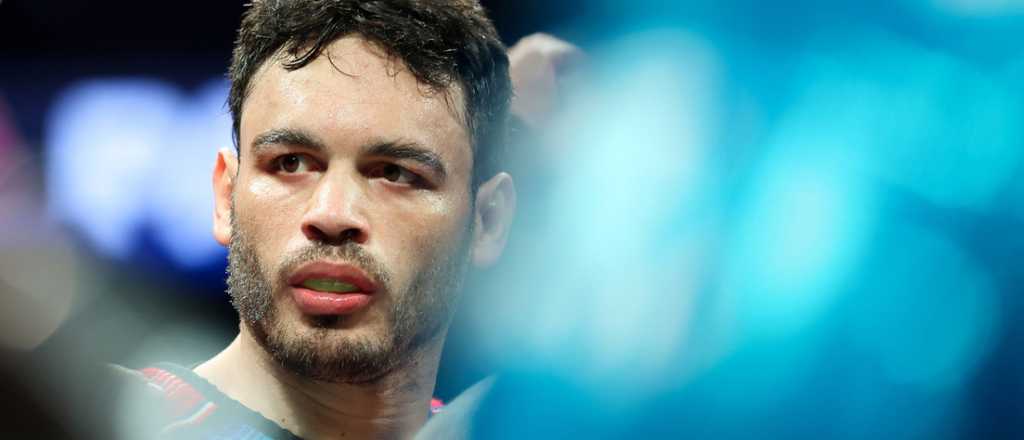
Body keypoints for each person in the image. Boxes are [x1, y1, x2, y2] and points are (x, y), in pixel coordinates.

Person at [107, 1, 582, 439]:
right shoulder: (93, 418)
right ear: (225, 197)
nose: (332, 215)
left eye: (394, 173)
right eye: (290, 163)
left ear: (489, 222)